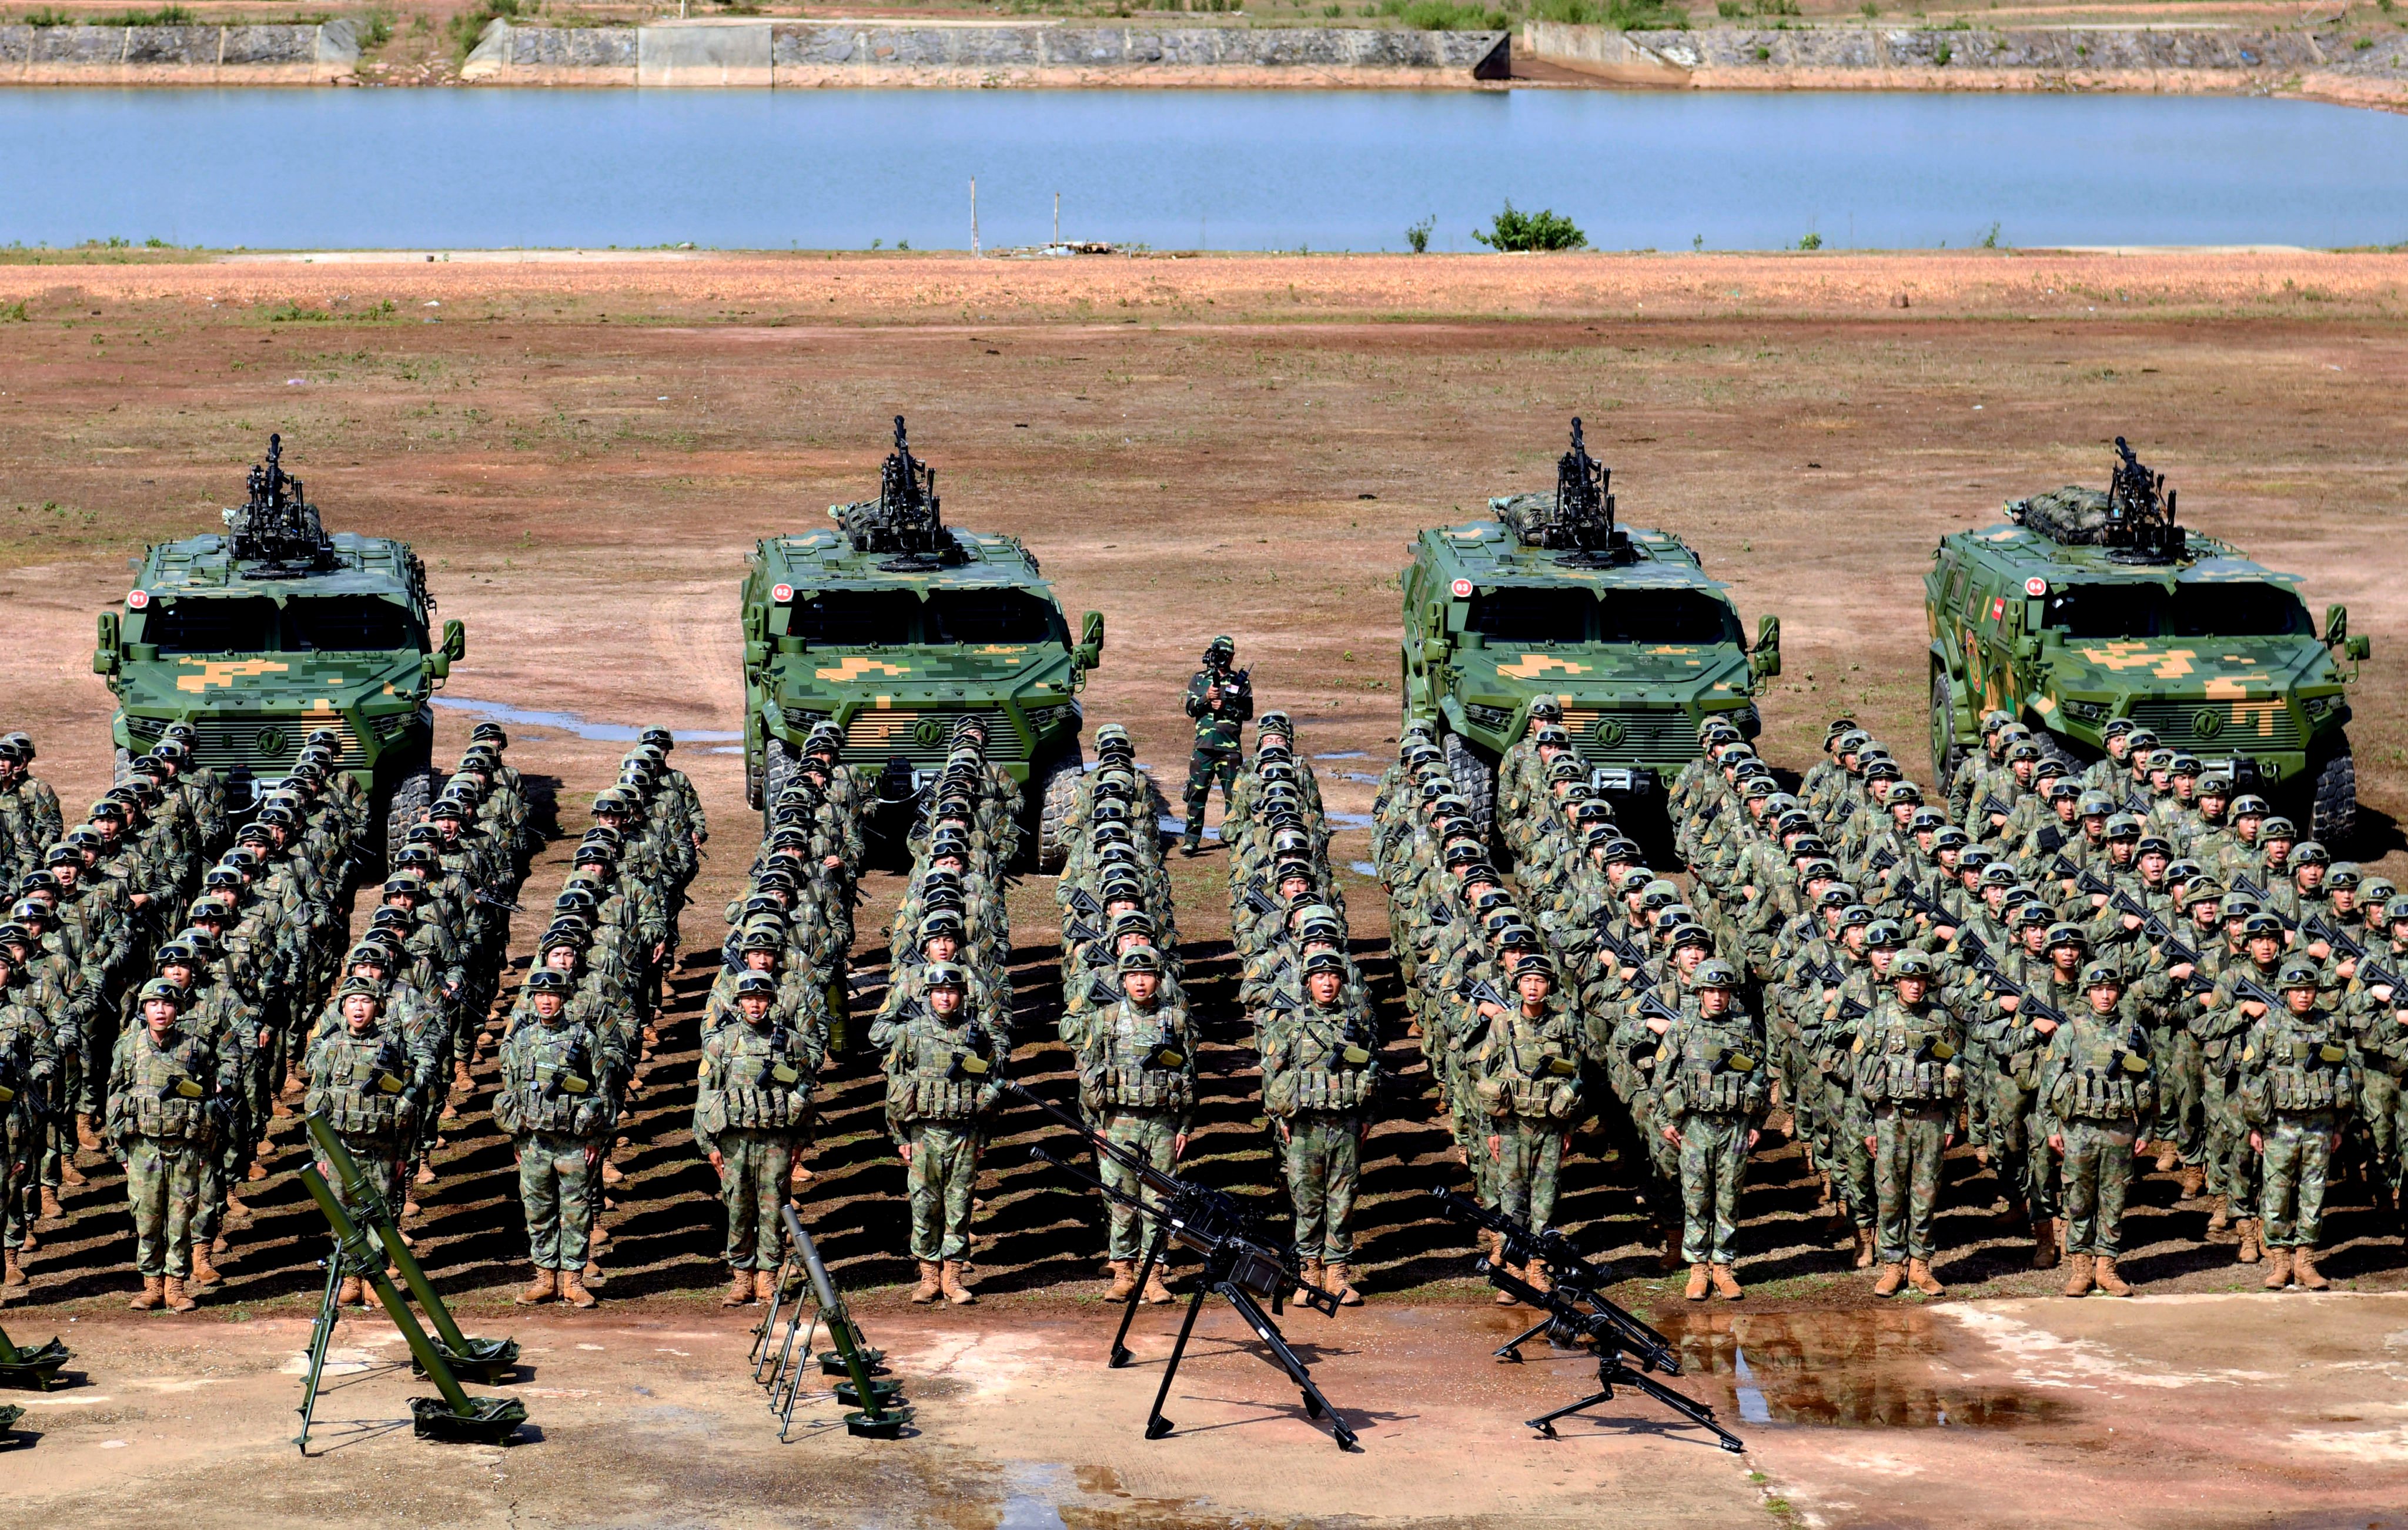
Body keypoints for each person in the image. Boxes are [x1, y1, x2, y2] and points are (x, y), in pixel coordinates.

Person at [1070, 946, 1195, 1305]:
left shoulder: (1177, 1020)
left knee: (1158, 1200)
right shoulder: (1105, 1019)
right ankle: (1124, 1273)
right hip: (1119, 1122)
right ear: (1122, 980)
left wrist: (1184, 1127)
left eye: (1147, 974)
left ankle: (1153, 1275)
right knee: (1122, 1198)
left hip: (1161, 1124)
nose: (1140, 982)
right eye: (1132, 975)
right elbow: (1088, 1075)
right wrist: (1094, 1124)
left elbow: (1189, 1076)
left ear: (1159, 978)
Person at [106, 978, 238, 1313]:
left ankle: (176, 1287)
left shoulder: (197, 1049)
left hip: (185, 1149)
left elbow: (211, 1102)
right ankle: (152, 1285)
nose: (160, 1011)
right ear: (144, 1010)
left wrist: (206, 1150)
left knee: (180, 1219)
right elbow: (115, 1098)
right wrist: (120, 1148)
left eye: (167, 1005)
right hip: (143, 1148)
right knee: (147, 1219)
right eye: (153, 1004)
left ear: (178, 1010)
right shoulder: (127, 1047)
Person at [695, 970, 824, 1306]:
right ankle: (741, 1278)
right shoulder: (720, 1043)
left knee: (773, 1209)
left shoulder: (791, 1043)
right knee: (737, 1207)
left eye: (762, 998)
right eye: (749, 999)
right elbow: (707, 1095)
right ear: (738, 1003)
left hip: (777, 1140)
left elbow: (806, 1092)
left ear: (771, 1002)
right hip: (734, 1142)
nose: (755, 1004)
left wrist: (800, 1142)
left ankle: (768, 1277)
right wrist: (708, 1144)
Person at [496, 967, 618, 1308]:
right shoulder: (521, 1041)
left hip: (575, 1142)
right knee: (537, 1210)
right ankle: (544, 1279)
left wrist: (597, 1140)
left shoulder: (585, 1039)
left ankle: (574, 1281)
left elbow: (604, 1092)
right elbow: (514, 1093)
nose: (546, 1001)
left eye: (552, 995)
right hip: (535, 1143)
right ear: (532, 1000)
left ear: (563, 998)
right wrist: (517, 1140)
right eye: (540, 995)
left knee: (577, 1212)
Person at [1262, 948, 1378, 1305]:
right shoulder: (1290, 1024)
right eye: (1319, 976)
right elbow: (1273, 1074)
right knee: (1306, 1200)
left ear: (1342, 982)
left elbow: (1372, 1069)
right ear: (1308, 982)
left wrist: (1368, 1118)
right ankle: (1308, 1271)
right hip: (1305, 1127)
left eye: (1333, 977)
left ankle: (1338, 1271)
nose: (1327, 983)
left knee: (1343, 1199)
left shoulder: (1357, 1022)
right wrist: (1281, 1116)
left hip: (1344, 1124)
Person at [883, 963, 1004, 1306]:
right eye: (939, 992)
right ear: (929, 995)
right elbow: (895, 1087)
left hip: (964, 1132)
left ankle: (953, 1277)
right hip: (924, 1133)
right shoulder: (911, 1033)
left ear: (962, 996)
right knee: (923, 1204)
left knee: (959, 1204)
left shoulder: (977, 1035)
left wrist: (984, 1136)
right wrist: (901, 1138)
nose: (945, 997)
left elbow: (992, 1086)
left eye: (952, 991)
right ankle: (928, 1277)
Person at [300, 979, 426, 1305]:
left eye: (366, 1001)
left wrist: (403, 1154)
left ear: (378, 1007)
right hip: (339, 1147)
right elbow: (315, 1106)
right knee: (344, 1217)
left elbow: (408, 1107)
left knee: (380, 1214)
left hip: (381, 1147)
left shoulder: (394, 1048)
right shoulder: (328, 1048)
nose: (359, 1007)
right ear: (342, 1007)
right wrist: (320, 1154)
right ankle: (351, 1278)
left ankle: (376, 1280)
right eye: (353, 1001)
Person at [1471, 952, 1581, 1303]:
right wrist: (1491, 1128)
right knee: (1512, 1200)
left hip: (1550, 1127)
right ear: (1517, 984)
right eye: (1527, 980)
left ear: (1550, 986)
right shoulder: (1502, 1024)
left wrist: (1570, 1129)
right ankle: (1514, 1268)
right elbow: (1485, 1077)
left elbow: (1576, 1080)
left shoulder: (1564, 1025)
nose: (1533, 987)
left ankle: (1538, 1267)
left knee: (1545, 1201)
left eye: (1540, 981)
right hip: (1512, 1126)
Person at [1658, 959, 1768, 1302]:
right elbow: (1662, 1077)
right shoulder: (1682, 1028)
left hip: (1735, 1126)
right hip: (1696, 1126)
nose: (1718, 998)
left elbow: (1761, 1075)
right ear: (1699, 993)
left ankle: (1723, 1267)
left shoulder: (1745, 1027)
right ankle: (1697, 1268)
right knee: (1696, 1197)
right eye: (1711, 991)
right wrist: (1665, 1121)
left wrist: (1757, 1123)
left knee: (1729, 1198)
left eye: (1723, 991)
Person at [2043, 963, 2155, 1297]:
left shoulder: (2134, 1031)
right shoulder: (2070, 1032)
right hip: (2078, 1129)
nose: (2105, 995)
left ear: (2118, 991)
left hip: (2120, 1129)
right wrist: (2051, 1128)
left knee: (2114, 1199)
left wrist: (2147, 1130)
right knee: (2078, 1198)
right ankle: (2080, 1269)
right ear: (2087, 992)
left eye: (2111, 989)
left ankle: (2107, 1268)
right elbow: (2049, 1084)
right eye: (2098, 989)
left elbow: (2151, 1082)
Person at [2243, 957, 2354, 1290]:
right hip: (2279, 1126)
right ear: (2286, 992)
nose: (2303, 996)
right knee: (2276, 1192)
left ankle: (2305, 1261)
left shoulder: (2330, 1026)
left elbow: (2343, 1074)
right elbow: (2250, 1079)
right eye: (2297, 990)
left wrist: (2339, 1127)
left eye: (2308, 989)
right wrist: (2254, 1126)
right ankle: (2280, 1262)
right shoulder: (2268, 1027)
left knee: (2314, 1193)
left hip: (2320, 1126)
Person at [1857, 950, 1963, 1297]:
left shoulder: (1942, 1020)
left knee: (1926, 1194)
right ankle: (1892, 1265)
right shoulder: (1876, 1020)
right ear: (1896, 983)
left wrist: (1950, 1123)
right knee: (1889, 1194)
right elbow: (1861, 1080)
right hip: (1890, 1119)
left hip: (1930, 1119)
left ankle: (1920, 1266)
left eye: (1920, 980)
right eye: (1908, 980)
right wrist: (1867, 1128)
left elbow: (1956, 1075)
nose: (1915, 987)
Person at [1178, 634, 1252, 856]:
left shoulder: (1241, 682)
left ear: (1232, 656)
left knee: (1234, 796)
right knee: (1196, 794)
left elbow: (1247, 713)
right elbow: (1190, 709)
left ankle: (1232, 837)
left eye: (1227, 655)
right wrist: (1206, 699)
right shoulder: (1200, 680)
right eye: (1219, 654)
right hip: (1204, 747)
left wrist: (1226, 708)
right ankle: (1191, 840)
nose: (1223, 659)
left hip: (1229, 749)